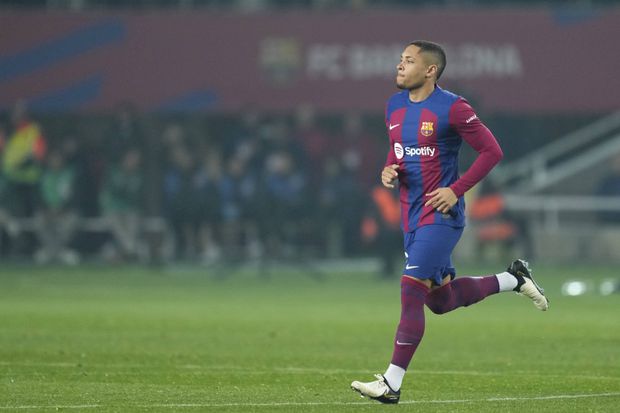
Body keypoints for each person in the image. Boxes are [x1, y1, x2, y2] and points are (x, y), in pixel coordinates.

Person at [350, 40, 549, 404]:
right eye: (400, 60)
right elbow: (398, 149)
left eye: (409, 61)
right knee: (440, 301)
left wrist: (456, 190)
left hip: (441, 216)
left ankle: (391, 383)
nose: (400, 65)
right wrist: (389, 169)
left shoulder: (453, 108)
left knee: (411, 288)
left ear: (430, 70)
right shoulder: (393, 106)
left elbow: (492, 152)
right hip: (411, 216)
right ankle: (513, 278)